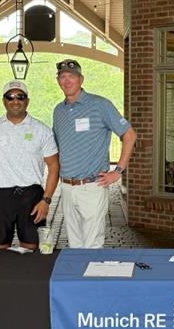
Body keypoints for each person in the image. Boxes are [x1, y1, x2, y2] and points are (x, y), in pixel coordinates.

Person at [52, 59, 136, 248]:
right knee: (74, 243)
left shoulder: (100, 105)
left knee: (92, 244)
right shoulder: (58, 111)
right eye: (62, 77)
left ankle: (89, 277)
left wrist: (118, 171)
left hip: (92, 186)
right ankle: (78, 277)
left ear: (81, 79)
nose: (66, 81)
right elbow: (58, 146)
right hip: (66, 187)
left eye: (71, 76)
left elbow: (129, 135)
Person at [0, 80, 59, 251]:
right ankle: (1, 277)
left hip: (31, 196)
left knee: (31, 246)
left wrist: (46, 200)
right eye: (10, 97)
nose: (15, 101)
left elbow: (54, 166)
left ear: (27, 101)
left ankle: (29, 277)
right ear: (4, 101)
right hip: (0, 195)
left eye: (20, 97)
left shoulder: (42, 130)